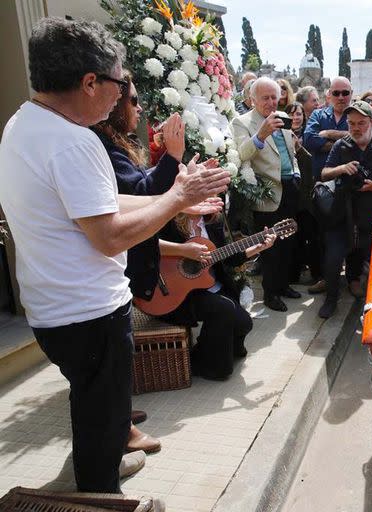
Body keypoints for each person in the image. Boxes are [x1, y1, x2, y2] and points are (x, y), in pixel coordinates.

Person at [0, 17, 231, 494]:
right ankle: (99, 489)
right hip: (87, 313)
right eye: (119, 82)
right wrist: (175, 196)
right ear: (90, 82)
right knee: (103, 414)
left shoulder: (24, 125)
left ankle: (96, 467)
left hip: (52, 309)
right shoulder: (74, 142)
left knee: (92, 405)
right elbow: (107, 236)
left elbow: (98, 206)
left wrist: (178, 199)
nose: (120, 94)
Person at [92, 71, 191, 455]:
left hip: (126, 260)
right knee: (108, 361)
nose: (140, 108)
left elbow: (141, 190)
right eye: (133, 101)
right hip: (117, 264)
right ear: (114, 106)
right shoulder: (101, 143)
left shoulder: (118, 140)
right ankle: (118, 434)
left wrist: (185, 192)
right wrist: (174, 159)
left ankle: (118, 415)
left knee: (114, 364)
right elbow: (141, 191)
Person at [157, 213, 274, 380]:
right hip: (175, 292)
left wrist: (258, 247)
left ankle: (198, 354)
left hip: (208, 286)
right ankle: (212, 369)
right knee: (223, 309)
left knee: (244, 323)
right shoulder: (169, 219)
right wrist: (184, 250)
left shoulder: (212, 221)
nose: (212, 199)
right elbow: (144, 245)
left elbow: (229, 258)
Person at [318, 100, 372, 318]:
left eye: (361, 123)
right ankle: (331, 299)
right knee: (333, 258)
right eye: (351, 124)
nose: (356, 128)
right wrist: (341, 168)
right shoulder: (341, 146)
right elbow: (324, 173)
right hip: (342, 214)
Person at [231, 77, 301, 312]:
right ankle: (271, 293)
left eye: (275, 97)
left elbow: (291, 154)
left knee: (288, 241)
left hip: (290, 187)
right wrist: (260, 135)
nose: (272, 102)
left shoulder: (283, 118)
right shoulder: (242, 122)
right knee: (269, 246)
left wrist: (297, 172)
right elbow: (241, 155)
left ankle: (283, 286)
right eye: (266, 98)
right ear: (252, 100)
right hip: (267, 193)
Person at [287, 101, 325, 289]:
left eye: (299, 114)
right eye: (292, 114)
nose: (295, 117)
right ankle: (293, 273)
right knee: (293, 237)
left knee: (311, 236)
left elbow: (310, 163)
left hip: (306, 195)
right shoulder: (280, 134)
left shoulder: (307, 137)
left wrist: (298, 148)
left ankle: (317, 274)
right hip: (289, 196)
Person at [304, 77, 352, 181]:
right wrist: (345, 143)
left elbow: (360, 138)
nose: (340, 97)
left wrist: (330, 133)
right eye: (336, 93)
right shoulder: (318, 115)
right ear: (329, 94)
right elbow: (309, 140)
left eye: (345, 93)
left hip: (348, 183)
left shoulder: (357, 116)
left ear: (351, 93)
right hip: (320, 184)